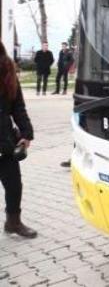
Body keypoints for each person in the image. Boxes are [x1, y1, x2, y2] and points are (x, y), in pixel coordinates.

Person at [0, 40, 37, 238]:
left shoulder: (7, 70)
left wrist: (25, 133)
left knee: (14, 185)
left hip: (4, 141)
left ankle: (13, 223)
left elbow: (18, 107)